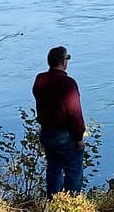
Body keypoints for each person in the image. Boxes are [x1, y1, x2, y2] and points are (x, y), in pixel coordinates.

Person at [32, 45, 85, 197]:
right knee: (73, 170)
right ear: (63, 62)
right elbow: (75, 114)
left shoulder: (40, 79)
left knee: (53, 169)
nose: (67, 61)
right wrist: (79, 138)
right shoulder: (68, 83)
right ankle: (72, 204)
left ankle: (53, 203)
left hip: (47, 132)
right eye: (67, 58)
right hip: (65, 135)